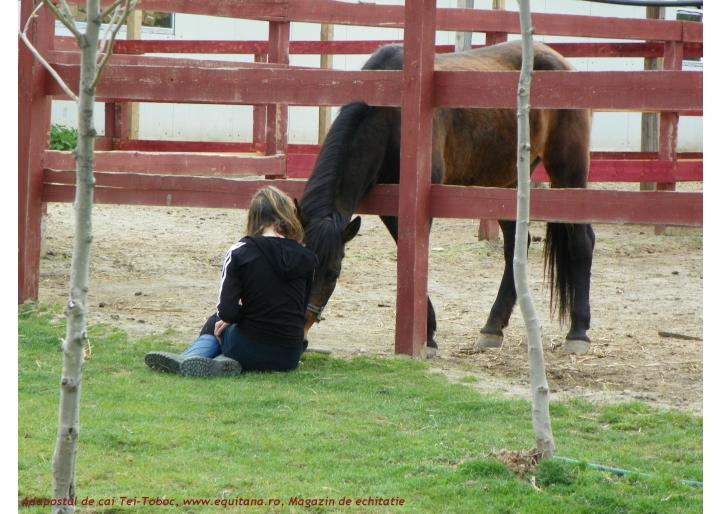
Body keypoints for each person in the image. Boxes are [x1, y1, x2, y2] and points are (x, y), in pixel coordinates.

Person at [144, 186, 318, 377]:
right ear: (287, 216)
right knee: (234, 325)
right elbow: (298, 310)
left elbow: (227, 311)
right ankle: (222, 363)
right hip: (289, 356)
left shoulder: (240, 251)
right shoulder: (307, 257)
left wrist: (237, 317)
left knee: (216, 321)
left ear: (254, 216)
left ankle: (190, 359)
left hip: (249, 348)